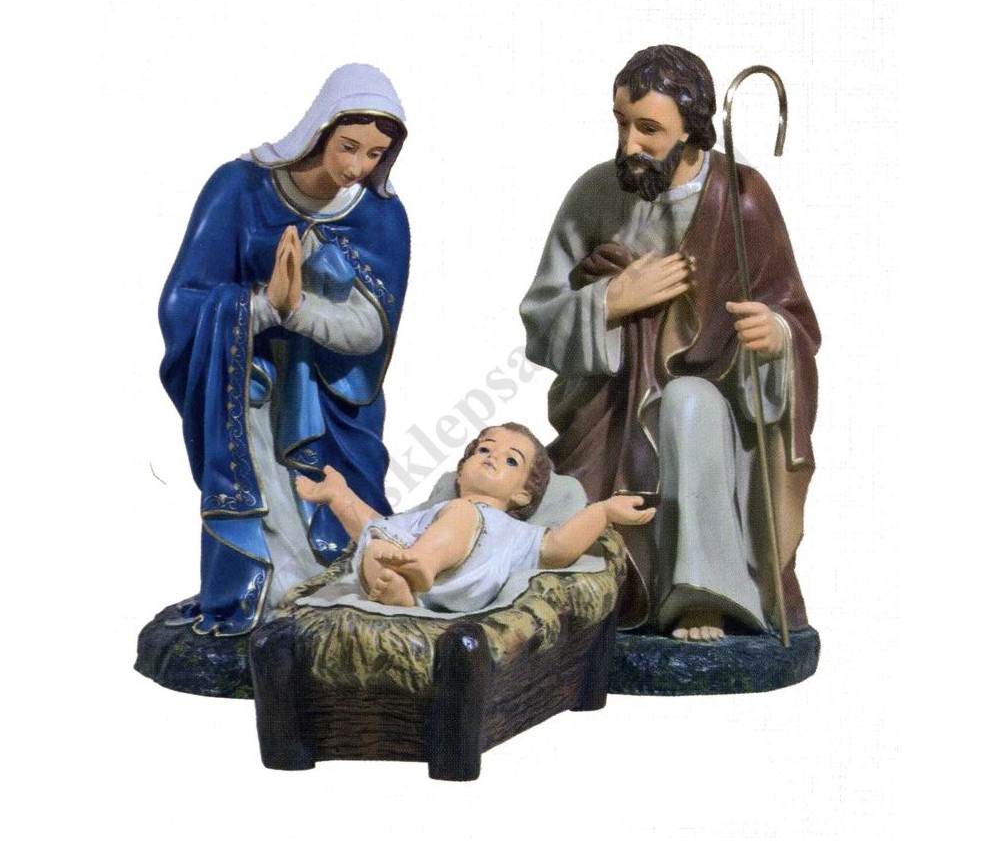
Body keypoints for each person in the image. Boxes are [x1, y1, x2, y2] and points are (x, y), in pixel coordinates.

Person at [519, 45, 820, 641]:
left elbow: (795, 321)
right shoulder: (595, 194)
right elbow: (540, 320)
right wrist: (611, 302)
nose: (629, 143)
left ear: (692, 130)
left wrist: (773, 336)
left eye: (648, 129)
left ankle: (704, 596)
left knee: (688, 402)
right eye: (621, 123)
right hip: (609, 412)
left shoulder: (741, 199)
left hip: (718, 413)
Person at [159, 63, 410, 636]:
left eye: (375, 154)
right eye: (348, 147)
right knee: (266, 496)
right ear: (320, 130)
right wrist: (265, 307)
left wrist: (297, 311)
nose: (357, 167)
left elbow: (371, 330)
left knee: (338, 500)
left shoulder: (381, 215)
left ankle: (334, 595)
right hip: (247, 389)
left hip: (331, 401)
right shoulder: (240, 188)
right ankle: (265, 599)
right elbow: (182, 301)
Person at [295, 423, 655, 612]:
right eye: (484, 449)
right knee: (375, 547)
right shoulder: (432, 514)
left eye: (511, 460)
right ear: (461, 470)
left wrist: (603, 511)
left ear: (522, 494)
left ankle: (422, 565)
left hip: (462, 585)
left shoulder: (510, 530)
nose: (492, 457)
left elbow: (559, 547)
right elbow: (375, 526)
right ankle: (400, 596)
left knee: (461, 513)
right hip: (411, 575)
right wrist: (339, 496)